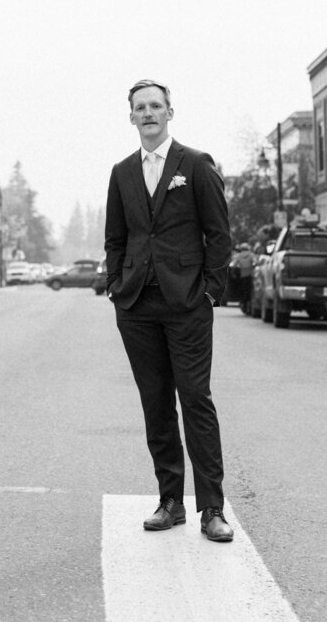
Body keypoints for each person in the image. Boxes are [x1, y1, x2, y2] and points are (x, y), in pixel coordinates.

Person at [105, 78, 233, 543]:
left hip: (187, 304)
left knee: (195, 400)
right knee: (155, 403)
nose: (148, 113)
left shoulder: (196, 164)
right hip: (137, 304)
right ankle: (171, 501)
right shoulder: (122, 172)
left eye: (156, 106)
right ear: (132, 116)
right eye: (140, 108)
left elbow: (219, 234)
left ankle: (213, 509)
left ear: (170, 112)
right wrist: (116, 286)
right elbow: (116, 239)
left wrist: (210, 293)